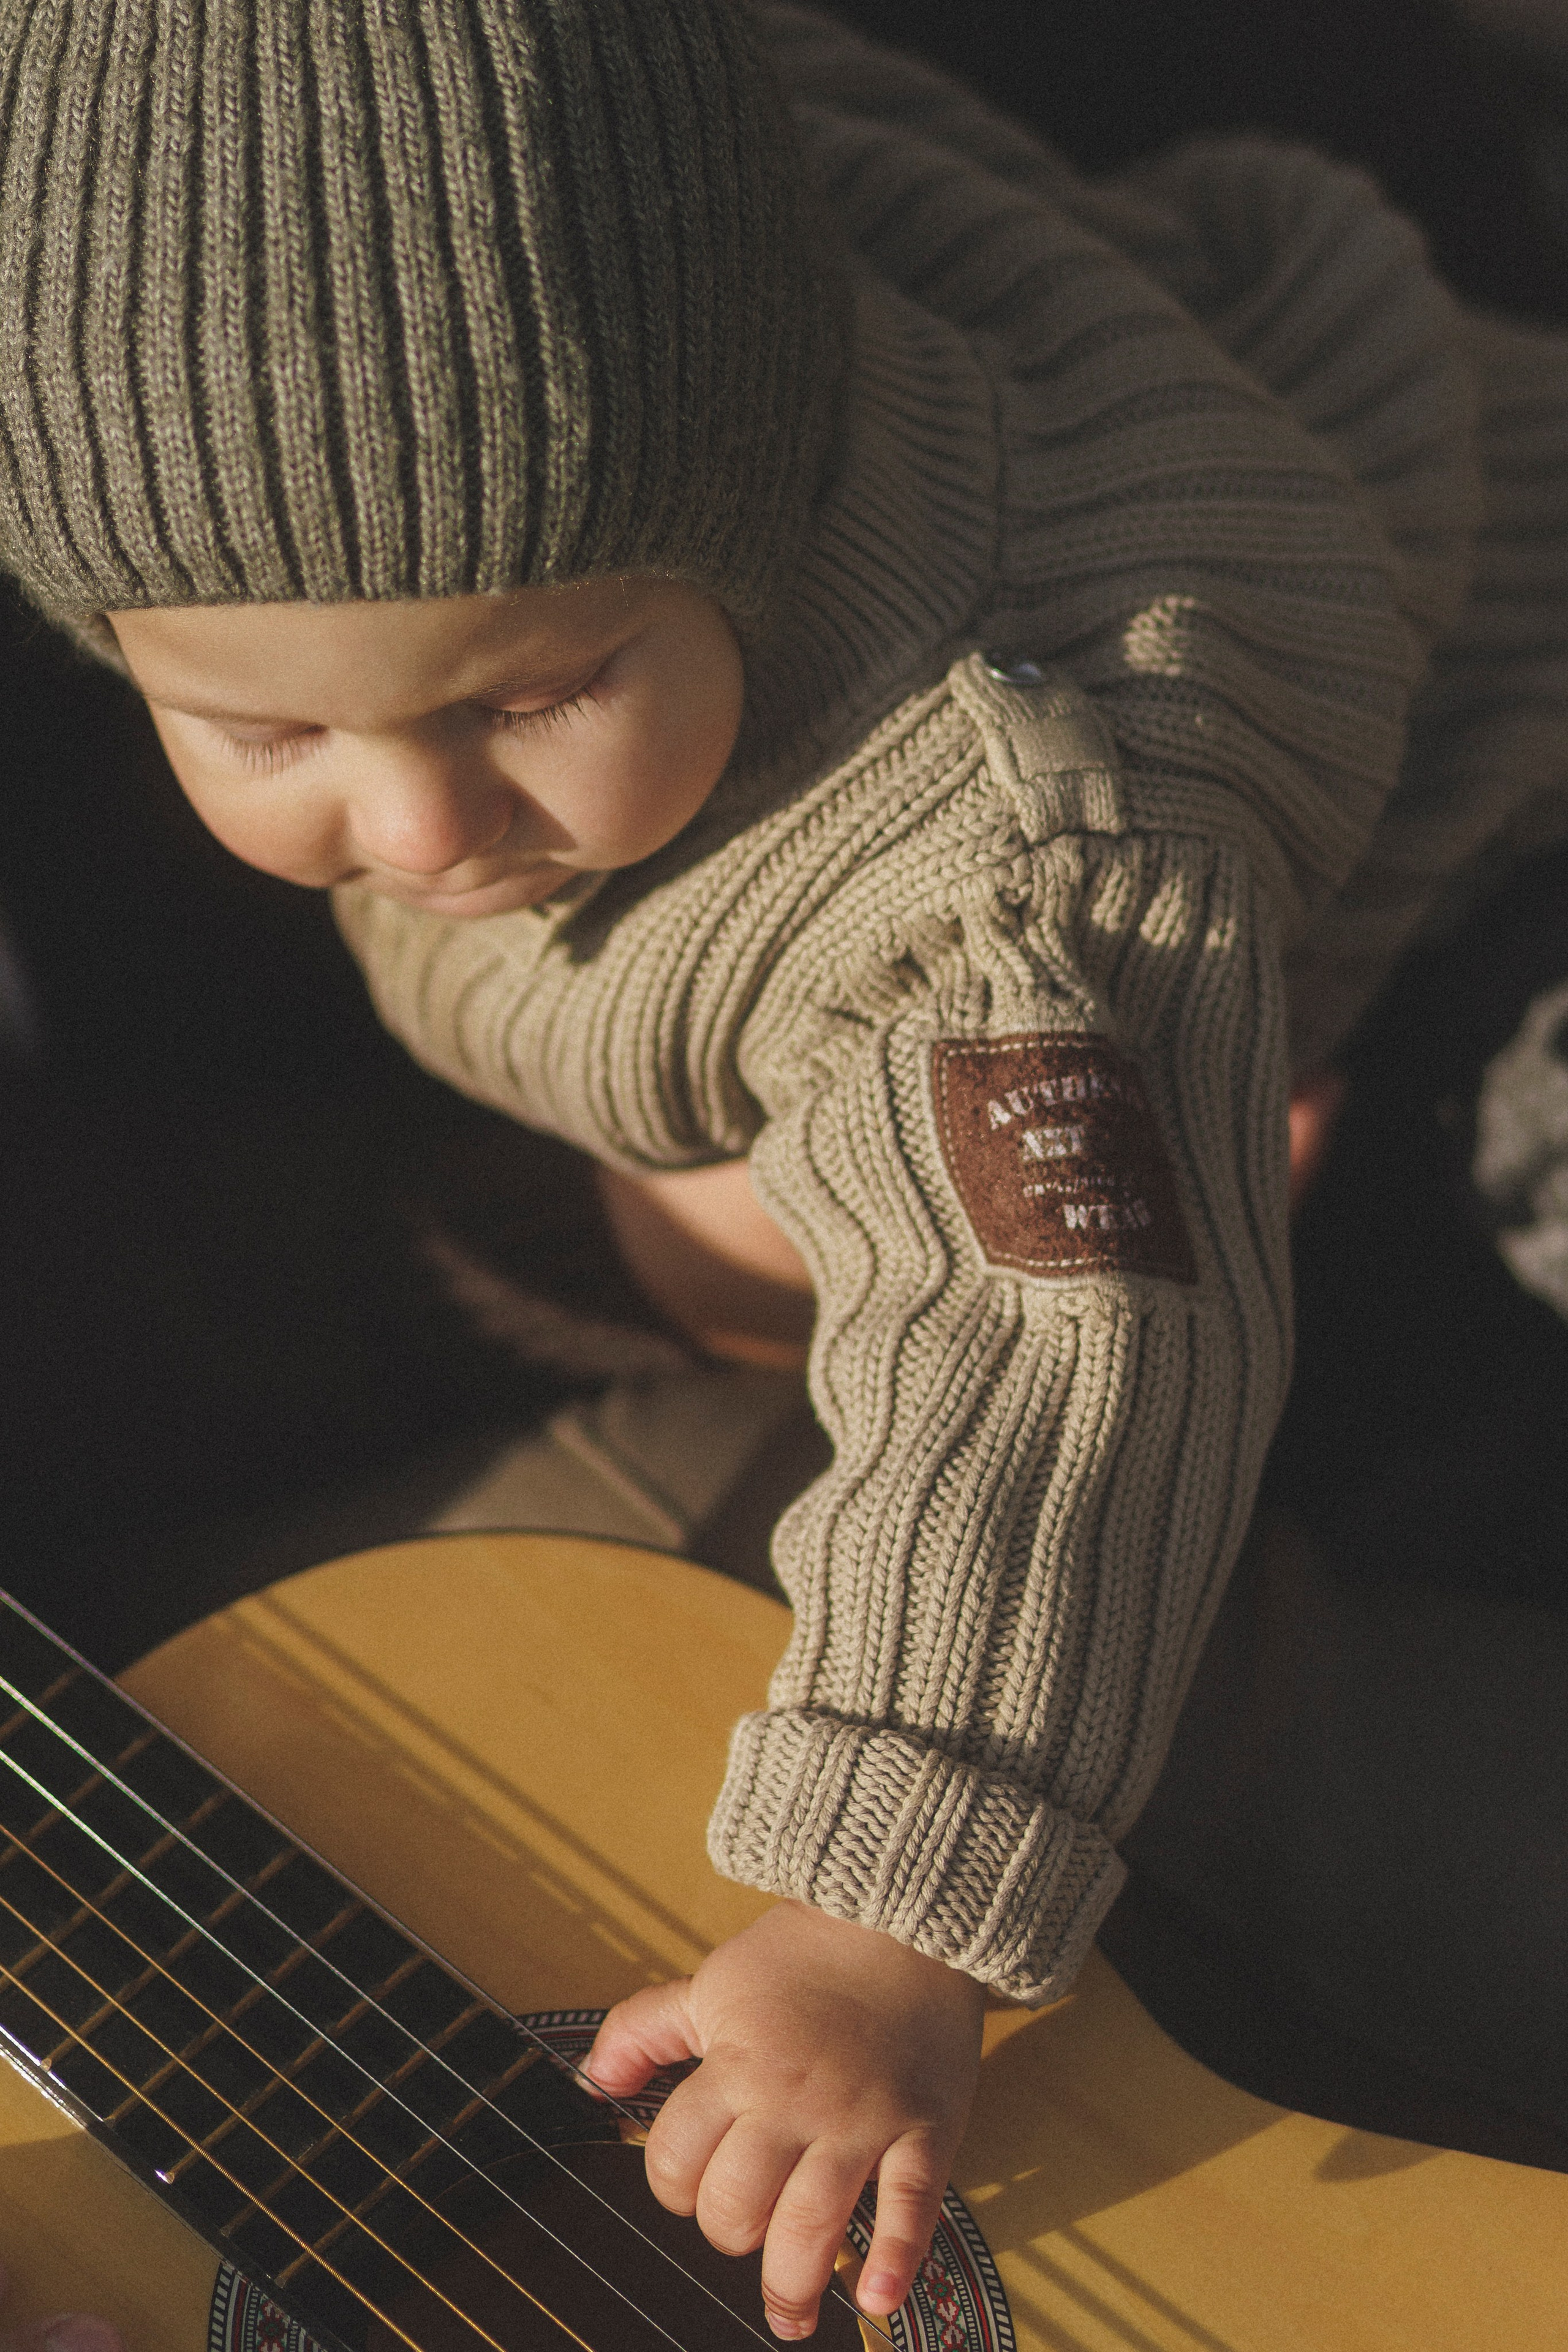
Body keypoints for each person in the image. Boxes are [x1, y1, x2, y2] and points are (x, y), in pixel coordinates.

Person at [0, 0, 1564, 2340]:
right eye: (265, 728)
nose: (421, 828)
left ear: (751, 498)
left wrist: (879, 1922)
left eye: (534, 690)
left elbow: (1059, 1356)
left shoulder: (1000, 858)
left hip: (1489, 852)